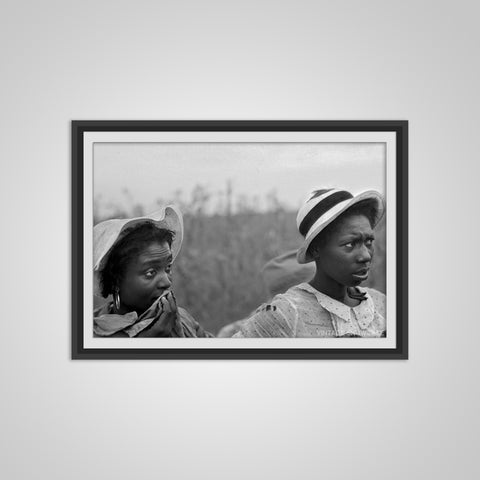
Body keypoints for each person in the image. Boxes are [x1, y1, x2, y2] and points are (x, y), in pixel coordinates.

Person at [233, 188, 386, 338]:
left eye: (369, 241)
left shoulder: (381, 304)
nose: (365, 255)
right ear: (315, 250)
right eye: (349, 244)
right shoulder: (286, 313)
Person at [93, 205, 212, 337]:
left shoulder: (182, 319)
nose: (166, 282)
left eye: (168, 268)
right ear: (116, 281)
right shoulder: (91, 335)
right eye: (150, 272)